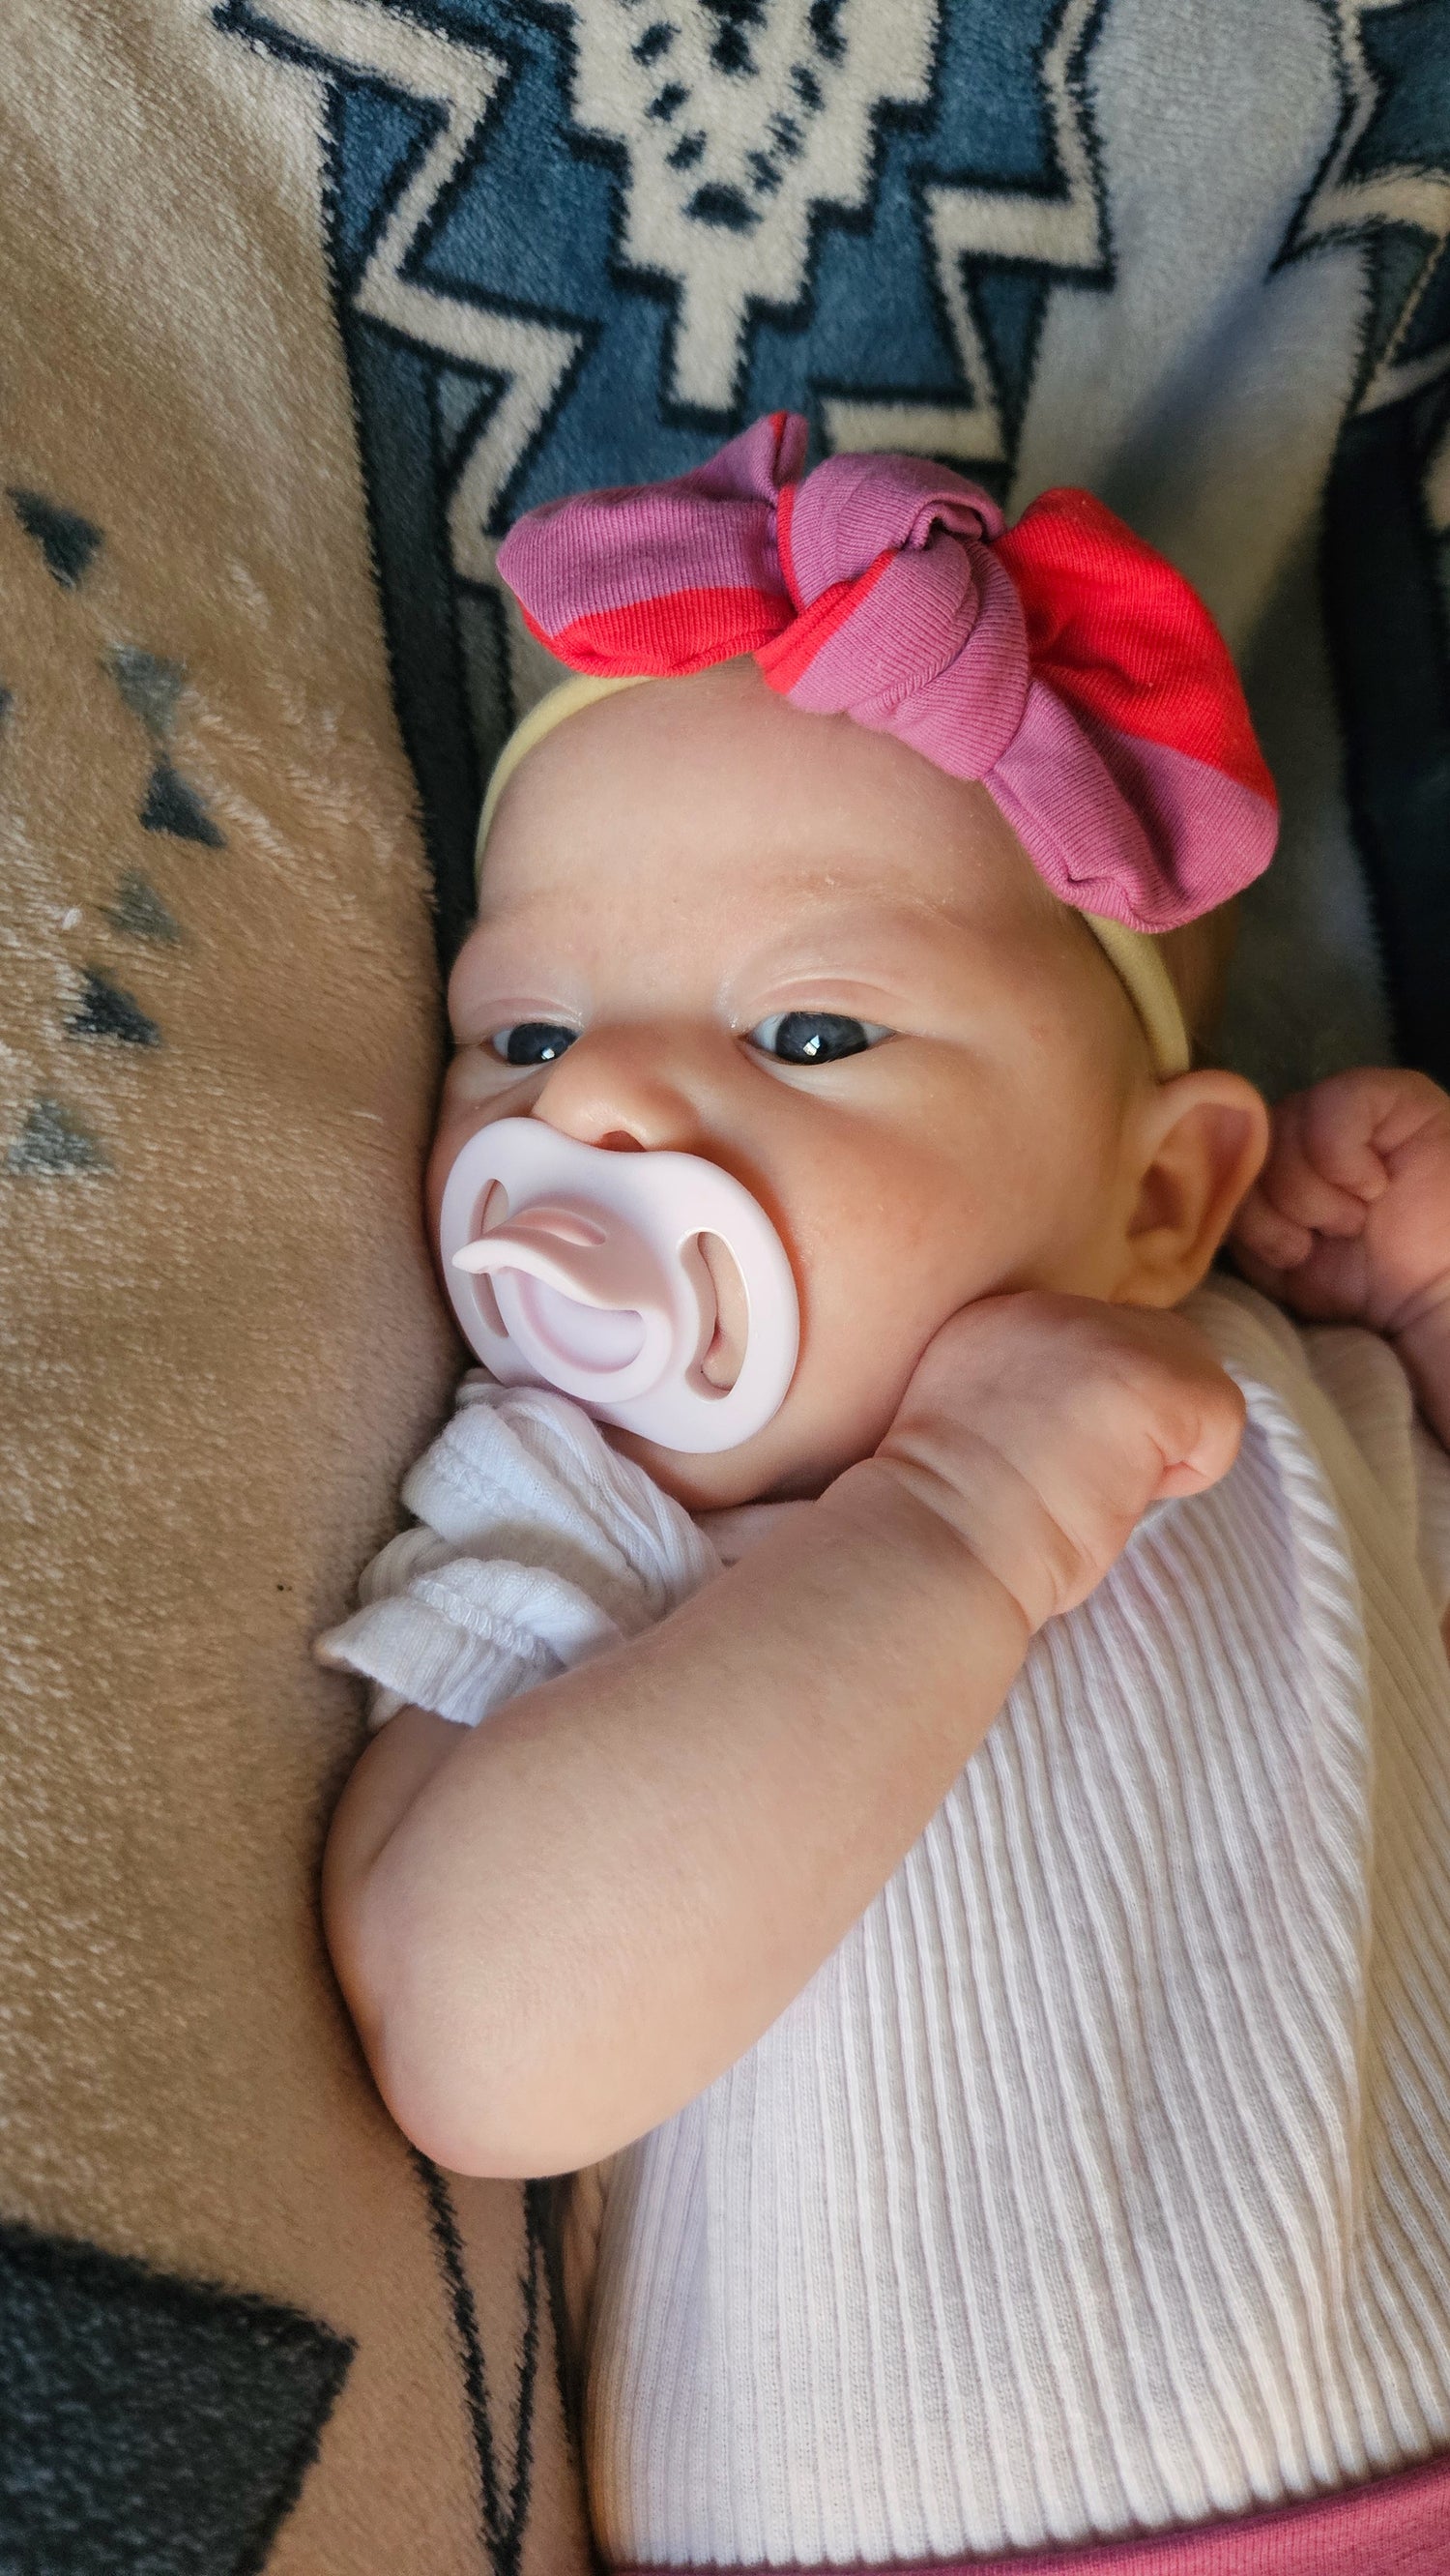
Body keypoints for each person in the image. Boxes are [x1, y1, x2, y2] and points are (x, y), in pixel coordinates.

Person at [318, 416, 1450, 2574]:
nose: (614, 1099)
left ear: (1161, 1189)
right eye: (527, 1033)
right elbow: (477, 2044)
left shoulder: (1289, 1411)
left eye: (811, 1035)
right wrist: (948, 1534)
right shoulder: (573, 1520)